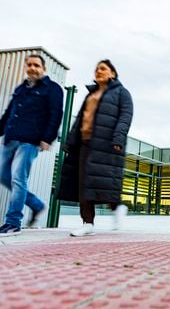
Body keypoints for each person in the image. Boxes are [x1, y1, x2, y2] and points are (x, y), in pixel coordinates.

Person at [58, 59, 133, 237]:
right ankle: (87, 223)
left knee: (106, 182)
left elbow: (125, 116)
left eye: (103, 69)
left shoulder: (122, 93)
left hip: (107, 144)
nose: (98, 71)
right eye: (96, 69)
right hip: (85, 144)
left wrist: (118, 138)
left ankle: (117, 206)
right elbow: (79, 120)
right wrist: (70, 141)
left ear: (112, 73)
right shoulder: (90, 94)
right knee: (84, 184)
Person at [0, 54, 64, 236]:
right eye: (29, 65)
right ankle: (36, 204)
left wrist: (48, 138)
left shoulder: (52, 89)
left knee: (18, 179)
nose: (32, 68)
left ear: (43, 68)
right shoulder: (21, 88)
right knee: (3, 176)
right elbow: (8, 113)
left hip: (30, 141)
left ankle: (13, 222)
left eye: (36, 65)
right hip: (11, 138)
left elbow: (56, 114)